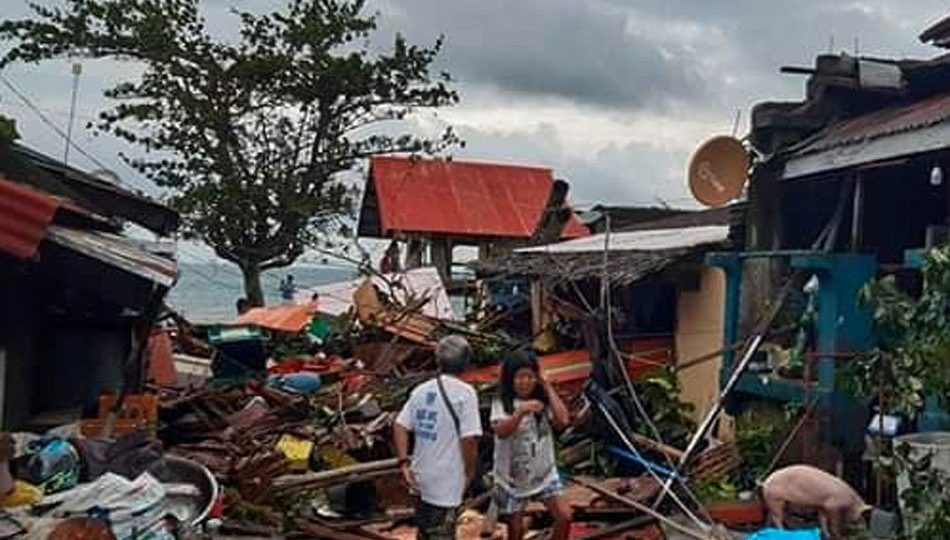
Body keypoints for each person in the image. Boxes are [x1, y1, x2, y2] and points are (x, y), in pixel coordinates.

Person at [394, 336, 482, 539]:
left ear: (438, 360)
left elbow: (399, 425)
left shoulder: (421, 390)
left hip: (420, 477)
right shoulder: (466, 394)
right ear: (466, 362)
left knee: (424, 530)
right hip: (447, 481)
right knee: (441, 532)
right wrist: (469, 473)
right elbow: (469, 439)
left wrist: (404, 463)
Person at [491, 352, 572, 540]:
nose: (525, 382)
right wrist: (520, 412)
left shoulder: (542, 401)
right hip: (512, 478)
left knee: (564, 517)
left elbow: (563, 420)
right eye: (519, 377)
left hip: (544, 473)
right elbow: (501, 431)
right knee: (516, 530)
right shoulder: (502, 402)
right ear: (510, 379)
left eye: (529, 377)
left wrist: (547, 385)